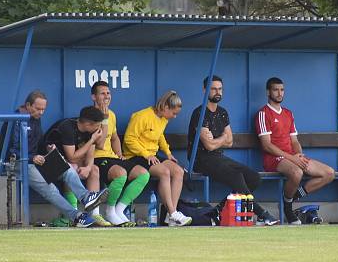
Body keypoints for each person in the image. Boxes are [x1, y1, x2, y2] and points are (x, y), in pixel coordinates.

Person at [1, 90, 107, 228]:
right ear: (28, 105)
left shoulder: (35, 119)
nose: (41, 112)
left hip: (36, 160)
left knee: (68, 170)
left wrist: (48, 148)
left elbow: (38, 142)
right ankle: (76, 217)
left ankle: (86, 197)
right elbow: (12, 150)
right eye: (38, 108)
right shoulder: (15, 119)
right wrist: (33, 157)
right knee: (50, 189)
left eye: (43, 109)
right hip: (18, 163)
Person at [187, 75, 280, 225]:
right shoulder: (199, 113)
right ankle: (261, 213)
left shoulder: (222, 112)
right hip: (200, 159)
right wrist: (223, 138)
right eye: (213, 89)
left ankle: (217, 210)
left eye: (220, 89)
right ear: (205, 90)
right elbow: (209, 146)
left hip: (218, 157)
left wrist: (219, 139)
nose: (217, 92)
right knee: (236, 176)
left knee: (254, 177)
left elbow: (229, 141)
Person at [255, 77, 335, 225]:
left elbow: (294, 141)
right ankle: (287, 207)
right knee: (297, 173)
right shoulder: (263, 113)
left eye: (282, 90)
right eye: (275, 90)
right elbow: (267, 146)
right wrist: (293, 159)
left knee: (329, 173)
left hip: (292, 157)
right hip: (274, 159)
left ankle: (290, 198)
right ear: (268, 92)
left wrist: (300, 156)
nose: (279, 93)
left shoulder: (288, 113)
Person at [123, 90, 192, 226]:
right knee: (164, 172)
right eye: (174, 113)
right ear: (166, 107)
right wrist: (145, 154)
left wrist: (167, 153)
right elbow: (129, 139)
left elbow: (160, 136)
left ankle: (169, 215)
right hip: (135, 156)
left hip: (151, 156)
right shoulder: (142, 116)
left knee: (178, 171)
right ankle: (173, 213)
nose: (175, 116)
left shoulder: (163, 119)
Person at [90, 81, 150, 226]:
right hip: (97, 158)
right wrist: (103, 118)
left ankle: (119, 210)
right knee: (120, 174)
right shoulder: (90, 115)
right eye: (102, 93)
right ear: (93, 97)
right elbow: (99, 143)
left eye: (108, 93)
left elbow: (115, 137)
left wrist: (119, 154)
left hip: (112, 157)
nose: (106, 96)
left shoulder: (112, 114)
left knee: (143, 174)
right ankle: (109, 212)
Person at [44, 106, 111, 226]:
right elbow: (72, 157)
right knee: (72, 167)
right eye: (97, 125)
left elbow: (92, 149)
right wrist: (92, 140)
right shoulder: (67, 127)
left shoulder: (88, 130)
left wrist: (88, 167)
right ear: (88, 124)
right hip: (45, 161)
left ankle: (94, 214)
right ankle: (72, 215)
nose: (99, 128)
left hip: (66, 160)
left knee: (94, 170)